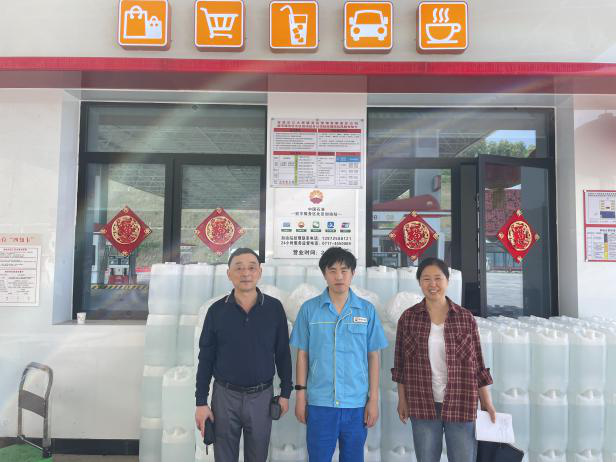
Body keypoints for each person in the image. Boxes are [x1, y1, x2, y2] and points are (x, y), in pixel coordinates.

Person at [392, 257, 496, 462]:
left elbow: (477, 364)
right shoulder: (408, 318)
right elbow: (401, 365)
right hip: (422, 402)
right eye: (426, 279)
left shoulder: (465, 318)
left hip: (461, 401)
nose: (432, 284)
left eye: (438, 278)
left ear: (447, 281)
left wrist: (487, 402)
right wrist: (402, 400)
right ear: (419, 282)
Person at [290, 247, 388, 462]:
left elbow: (373, 357)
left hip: (356, 404)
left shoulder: (366, 310)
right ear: (324, 274)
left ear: (353, 273)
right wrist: (300, 397)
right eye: (332, 270)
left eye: (344, 270)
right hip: (320, 403)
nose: (339, 276)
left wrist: (373, 400)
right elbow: (302, 355)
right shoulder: (309, 309)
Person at [195, 248, 293, 462]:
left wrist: (285, 393)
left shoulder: (274, 308)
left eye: (251, 267)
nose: (246, 273)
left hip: (262, 397)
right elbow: (206, 359)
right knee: (224, 457)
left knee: (257, 457)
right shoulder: (216, 311)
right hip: (224, 397)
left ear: (260, 272)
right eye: (238, 268)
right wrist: (201, 402)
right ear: (229, 274)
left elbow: (283, 354)